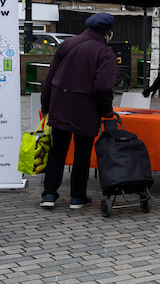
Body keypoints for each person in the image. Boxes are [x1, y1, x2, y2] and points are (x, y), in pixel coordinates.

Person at [39, 12, 117, 209]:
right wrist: (106, 110)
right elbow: (102, 87)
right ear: (107, 32)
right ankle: (77, 197)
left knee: (58, 149)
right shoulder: (105, 52)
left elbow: (50, 77)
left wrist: (46, 104)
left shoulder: (67, 44)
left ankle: (49, 194)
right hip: (85, 107)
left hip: (60, 103)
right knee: (82, 151)